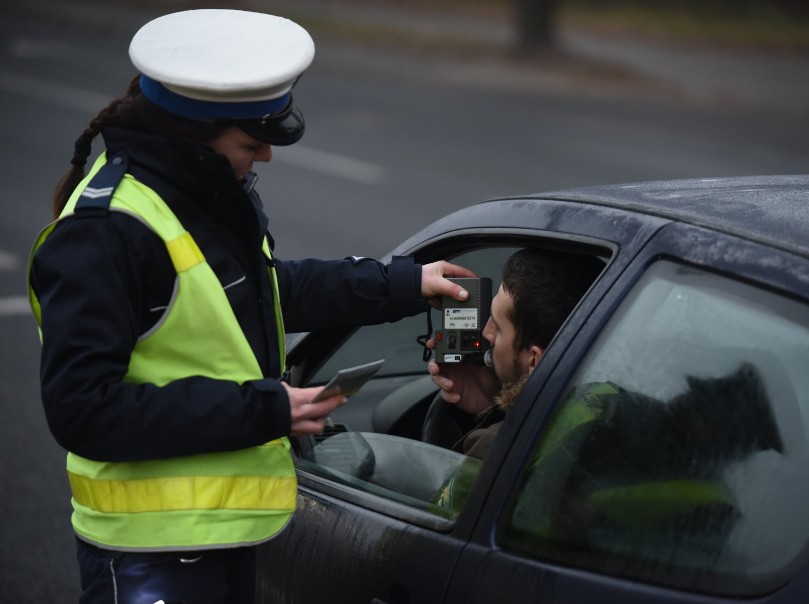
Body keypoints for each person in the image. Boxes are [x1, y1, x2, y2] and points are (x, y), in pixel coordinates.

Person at [27, 9, 473, 604]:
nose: (266, 156)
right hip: (150, 551)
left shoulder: (196, 194)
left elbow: (262, 291)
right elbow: (83, 411)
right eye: (251, 142)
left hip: (223, 534)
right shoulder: (107, 232)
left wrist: (403, 283)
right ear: (192, 137)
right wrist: (266, 410)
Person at [427, 248, 604, 459]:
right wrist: (492, 399)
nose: (486, 333)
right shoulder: (624, 409)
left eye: (499, 327)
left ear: (535, 360)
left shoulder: (495, 447)